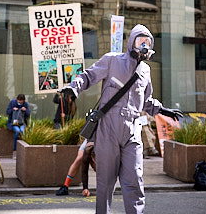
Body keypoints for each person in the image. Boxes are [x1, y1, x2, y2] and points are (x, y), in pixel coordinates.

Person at [61, 24, 183, 214]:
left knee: (134, 179)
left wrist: (162, 110)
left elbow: (146, 100)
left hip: (132, 130)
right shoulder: (112, 60)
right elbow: (88, 76)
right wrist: (74, 87)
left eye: (147, 42)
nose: (144, 45)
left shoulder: (145, 71)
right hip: (108, 127)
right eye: (140, 40)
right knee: (105, 182)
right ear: (131, 42)